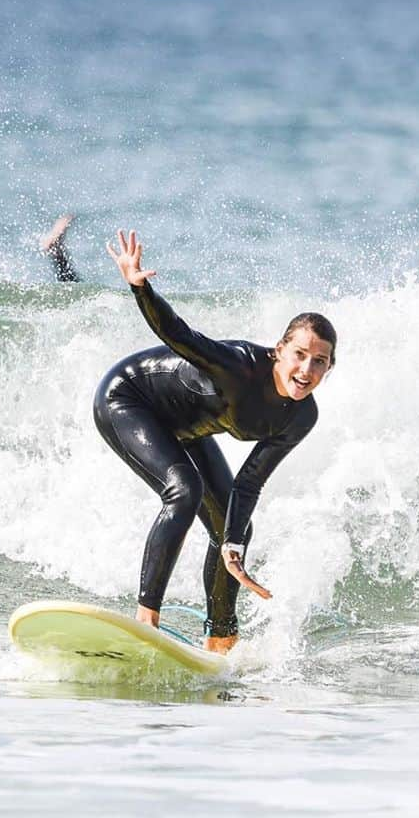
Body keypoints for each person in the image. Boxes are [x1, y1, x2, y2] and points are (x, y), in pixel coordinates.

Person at [94, 230, 336, 654]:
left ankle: (221, 636)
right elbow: (180, 336)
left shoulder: (302, 416)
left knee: (233, 526)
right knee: (184, 491)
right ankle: (146, 619)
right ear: (279, 350)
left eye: (320, 361)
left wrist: (235, 543)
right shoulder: (240, 367)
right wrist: (139, 286)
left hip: (185, 430)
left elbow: (249, 483)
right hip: (128, 399)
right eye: (300, 354)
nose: (307, 369)